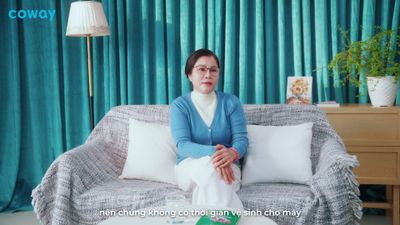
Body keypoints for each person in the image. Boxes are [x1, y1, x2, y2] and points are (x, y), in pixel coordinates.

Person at [170, 48, 248, 210]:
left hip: (229, 165)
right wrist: (216, 153)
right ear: (190, 75)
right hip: (189, 167)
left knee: (208, 183)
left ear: (218, 74)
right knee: (211, 169)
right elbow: (182, 145)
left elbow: (241, 140)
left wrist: (232, 153)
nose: (208, 75)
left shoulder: (231, 102)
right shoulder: (180, 105)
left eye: (213, 70)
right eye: (201, 69)